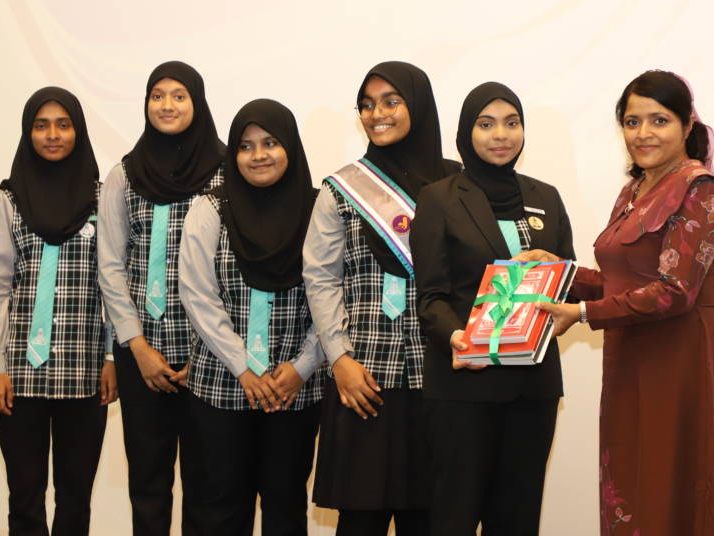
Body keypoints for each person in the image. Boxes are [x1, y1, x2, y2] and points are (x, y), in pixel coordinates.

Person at [530, 70, 714, 535]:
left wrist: (582, 313)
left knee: (678, 485)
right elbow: (618, 282)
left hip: (687, 360)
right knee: (633, 483)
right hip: (632, 357)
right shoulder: (634, 191)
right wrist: (558, 271)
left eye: (659, 120)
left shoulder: (703, 190)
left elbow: (675, 291)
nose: (643, 133)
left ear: (687, 126)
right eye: (632, 122)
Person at [410, 82, 574, 535]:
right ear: (467, 132)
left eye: (511, 123)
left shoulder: (547, 196)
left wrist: (562, 293)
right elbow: (431, 296)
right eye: (486, 124)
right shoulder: (439, 198)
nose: (501, 135)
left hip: (533, 388)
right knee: (454, 517)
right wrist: (457, 337)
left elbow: (566, 280)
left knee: (518, 519)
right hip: (464, 383)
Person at [303, 61, 458, 535]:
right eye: (367, 105)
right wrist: (339, 359)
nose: (377, 114)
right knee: (361, 520)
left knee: (432, 520)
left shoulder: (457, 185)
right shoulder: (341, 189)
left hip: (441, 375)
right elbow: (320, 279)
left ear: (419, 106)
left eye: (391, 101)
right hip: (363, 377)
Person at [177, 98, 326, 534]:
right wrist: (243, 366)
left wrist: (303, 367)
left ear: (291, 147)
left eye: (270, 143)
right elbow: (197, 295)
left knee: (285, 507)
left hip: (294, 388)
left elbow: (333, 294)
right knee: (218, 510)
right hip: (221, 384)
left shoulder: (319, 209)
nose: (258, 155)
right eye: (245, 146)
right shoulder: (210, 208)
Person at [0, 87, 117, 535]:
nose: (53, 135)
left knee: (75, 499)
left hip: (84, 372)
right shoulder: (8, 199)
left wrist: (112, 358)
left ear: (78, 131)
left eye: (63, 124)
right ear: (28, 132)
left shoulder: (102, 199)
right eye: (41, 126)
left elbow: (112, 286)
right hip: (18, 374)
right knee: (24, 496)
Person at [97, 61, 226, 534]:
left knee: (207, 483)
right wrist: (138, 348)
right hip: (140, 354)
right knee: (148, 482)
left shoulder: (225, 172)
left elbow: (232, 269)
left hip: (210, 356)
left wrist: (207, 349)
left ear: (197, 102)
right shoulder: (124, 175)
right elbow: (111, 265)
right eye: (157, 95)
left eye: (178, 95)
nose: (166, 105)